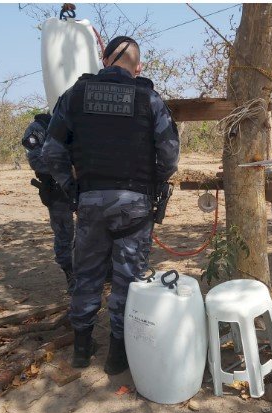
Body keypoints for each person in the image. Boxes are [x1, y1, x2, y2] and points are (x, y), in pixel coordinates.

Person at [43, 36, 180, 374]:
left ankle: (81, 350)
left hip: (89, 200)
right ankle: (117, 357)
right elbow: (169, 155)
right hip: (134, 204)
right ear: (138, 67)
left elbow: (51, 153)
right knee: (128, 278)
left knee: (87, 274)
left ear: (103, 60)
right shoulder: (149, 98)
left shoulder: (74, 97)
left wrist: (74, 190)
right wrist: (151, 185)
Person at [21, 113, 75, 292]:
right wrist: (67, 167)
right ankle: (70, 273)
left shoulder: (78, 118)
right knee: (64, 234)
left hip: (85, 187)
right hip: (57, 189)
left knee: (95, 230)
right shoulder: (39, 128)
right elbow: (36, 160)